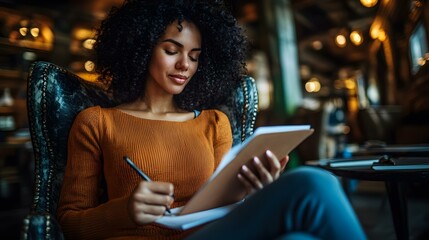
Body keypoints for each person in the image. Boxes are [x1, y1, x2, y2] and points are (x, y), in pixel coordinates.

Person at [56, 0, 367, 239]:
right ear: (140, 49)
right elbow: (69, 224)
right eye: (171, 50)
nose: (184, 65)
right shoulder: (96, 122)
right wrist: (124, 211)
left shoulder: (214, 123)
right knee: (314, 181)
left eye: (194, 56)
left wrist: (256, 191)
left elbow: (228, 210)